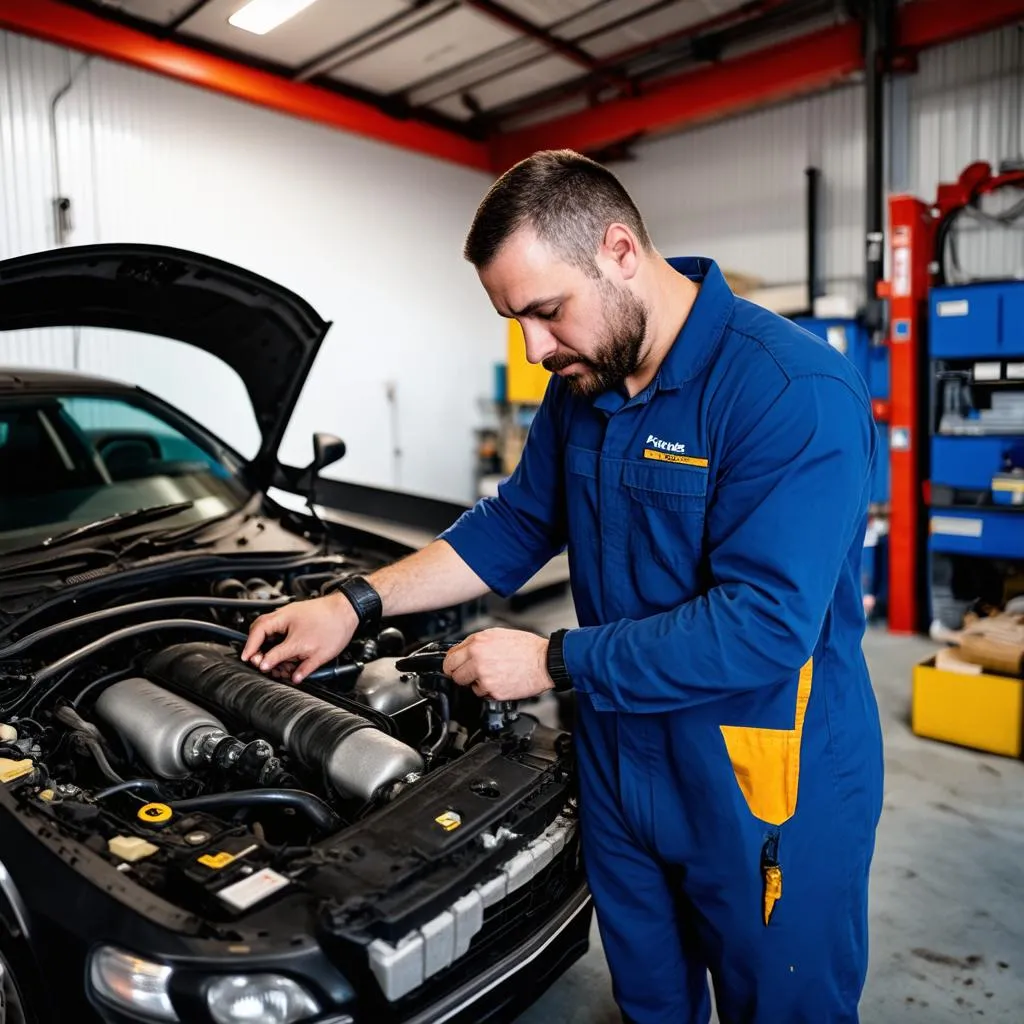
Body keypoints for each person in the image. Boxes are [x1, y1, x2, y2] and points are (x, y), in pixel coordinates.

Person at [241, 149, 884, 1024]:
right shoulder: (583, 386)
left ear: (619, 251)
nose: (536, 348)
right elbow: (514, 524)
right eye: (515, 321)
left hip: (764, 780)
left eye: (546, 312)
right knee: (651, 1001)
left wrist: (551, 660)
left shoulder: (790, 393)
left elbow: (766, 627)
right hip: (620, 762)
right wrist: (352, 602)